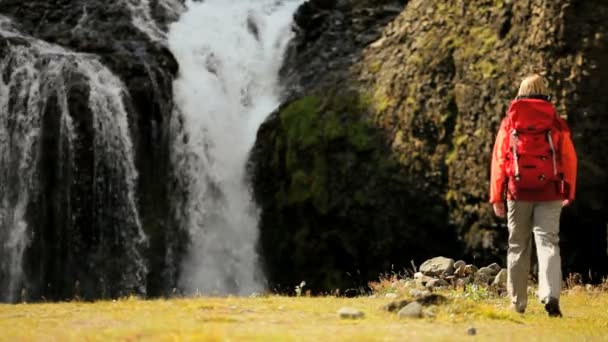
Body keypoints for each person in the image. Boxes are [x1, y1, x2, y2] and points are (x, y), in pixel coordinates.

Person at [489, 74, 577, 317]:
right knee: (548, 242)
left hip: (517, 193)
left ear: (521, 90)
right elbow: (568, 157)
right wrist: (568, 187)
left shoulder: (510, 122)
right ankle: (550, 295)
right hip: (550, 191)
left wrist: (497, 195)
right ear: (544, 90)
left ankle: (517, 303)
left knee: (517, 245)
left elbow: (499, 159)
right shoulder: (555, 121)